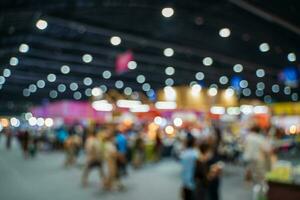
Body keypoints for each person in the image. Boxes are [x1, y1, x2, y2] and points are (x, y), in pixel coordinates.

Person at [180, 134, 198, 200]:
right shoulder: (196, 154)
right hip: (194, 184)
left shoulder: (184, 154)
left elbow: (184, 171)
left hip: (187, 183)